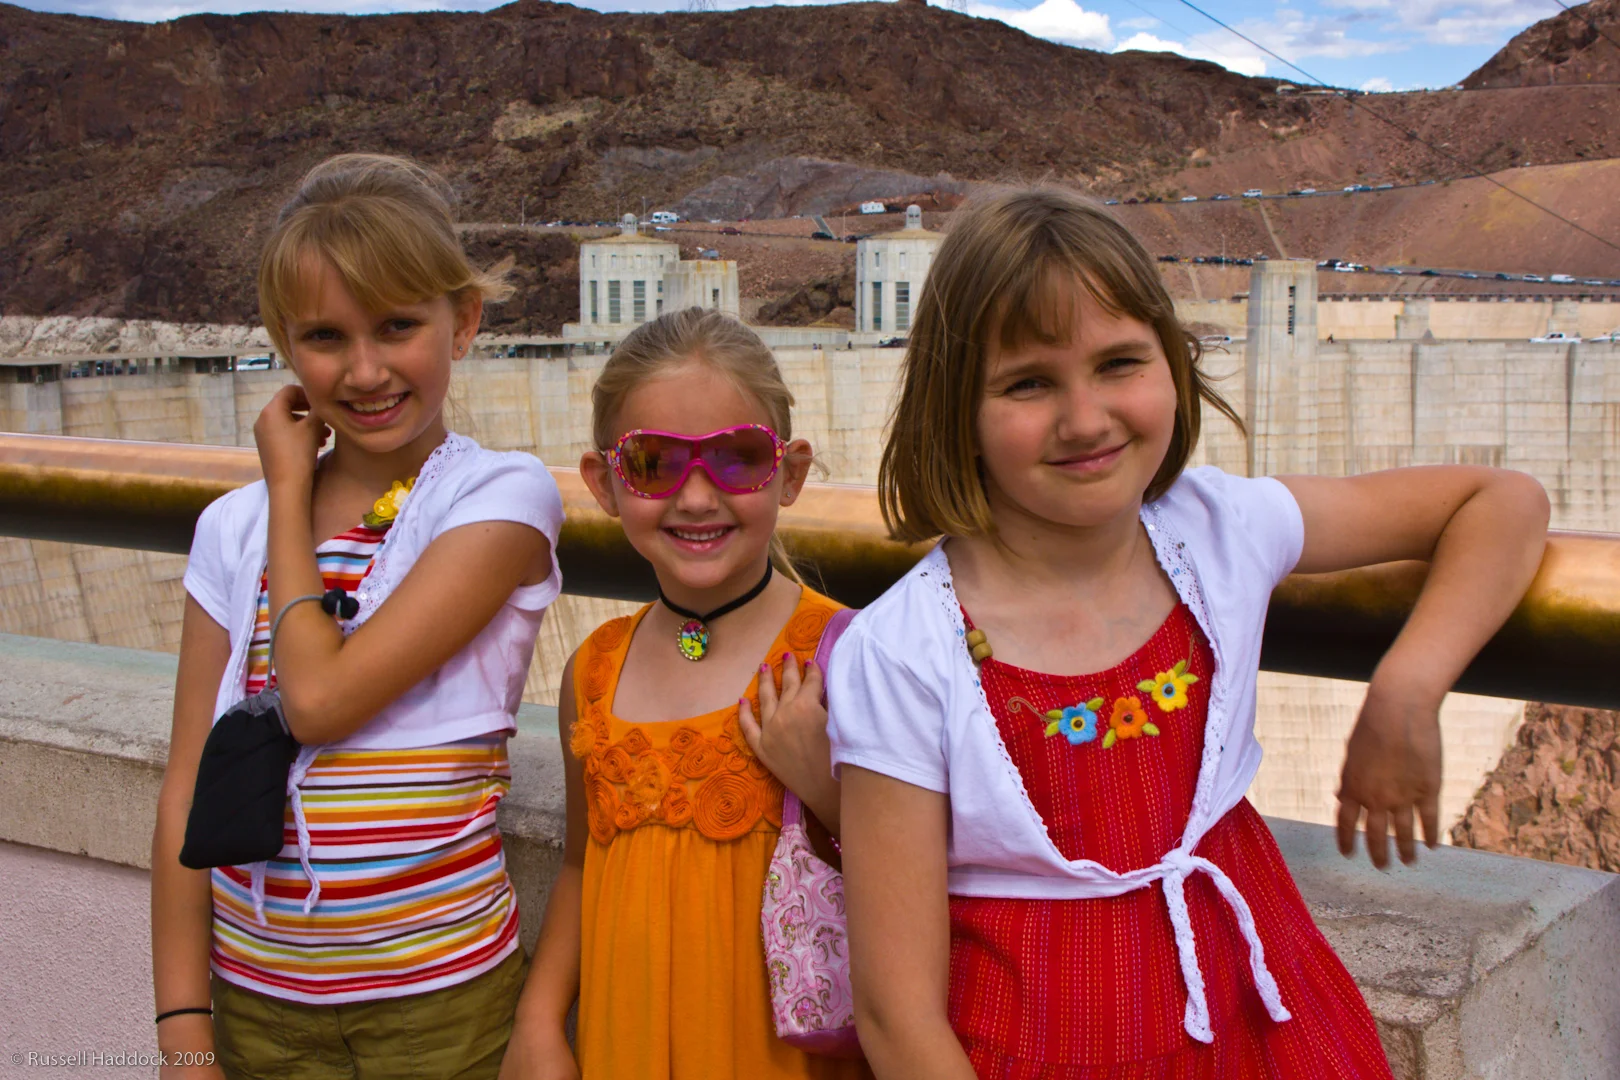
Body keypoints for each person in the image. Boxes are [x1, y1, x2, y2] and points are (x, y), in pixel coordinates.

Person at [826, 187, 1550, 1080]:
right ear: (957, 410)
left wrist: (1405, 691)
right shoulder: (904, 651)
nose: (1086, 419)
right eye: (1028, 383)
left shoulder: (1216, 530)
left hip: (1259, 1015)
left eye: (1120, 364)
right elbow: (896, 1018)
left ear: (1173, 366)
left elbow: (1502, 502)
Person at [151, 154, 564, 1079]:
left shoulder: (498, 498)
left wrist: (290, 483)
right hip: (256, 1003)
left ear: (463, 322)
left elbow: (321, 700)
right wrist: (182, 1029)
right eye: (328, 337)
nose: (367, 369)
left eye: (398, 326)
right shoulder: (232, 528)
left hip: (439, 1004)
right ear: (287, 346)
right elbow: (187, 783)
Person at [502, 308, 867, 1080]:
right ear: (605, 484)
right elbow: (578, 864)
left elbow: (924, 877)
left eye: (737, 459)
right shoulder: (594, 669)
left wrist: (823, 788)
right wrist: (539, 1018)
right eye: (655, 464)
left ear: (790, 474)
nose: (697, 498)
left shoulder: (846, 657)